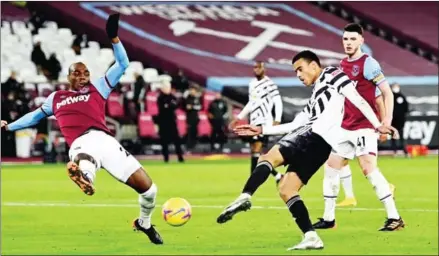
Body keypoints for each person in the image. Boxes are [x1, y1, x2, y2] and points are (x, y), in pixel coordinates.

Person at [0, 14, 163, 245]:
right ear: (68, 77)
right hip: (81, 141)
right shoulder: (56, 98)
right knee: (84, 156)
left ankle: (144, 223)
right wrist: (8, 126)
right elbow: (34, 117)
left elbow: (123, 64)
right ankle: (84, 177)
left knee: (150, 190)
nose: (83, 76)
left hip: (107, 141)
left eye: (86, 72)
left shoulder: (99, 88)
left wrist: (114, 38)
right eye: (77, 73)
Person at [216, 50, 399, 250]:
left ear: (314, 65)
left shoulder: (331, 74)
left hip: (311, 134)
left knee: (268, 157)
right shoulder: (316, 97)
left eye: (300, 69)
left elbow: (357, 99)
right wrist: (261, 129)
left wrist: (378, 124)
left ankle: (245, 196)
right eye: (296, 72)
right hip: (322, 146)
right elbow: (295, 122)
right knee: (287, 189)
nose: (299, 75)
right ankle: (311, 237)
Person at [313, 24, 404, 232]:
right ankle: (329, 218)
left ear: (361, 41)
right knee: (331, 167)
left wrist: (385, 121)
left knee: (368, 170)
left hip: (364, 127)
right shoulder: (342, 64)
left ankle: (394, 217)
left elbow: (385, 94)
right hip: (346, 126)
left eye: (352, 39)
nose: (348, 43)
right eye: (345, 39)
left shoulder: (369, 64)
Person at [229, 61, 283, 182]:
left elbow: (277, 101)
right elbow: (251, 103)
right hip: (253, 121)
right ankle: (277, 176)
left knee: (256, 150)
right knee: (255, 153)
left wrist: (277, 119)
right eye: (255, 67)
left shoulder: (270, 84)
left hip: (264, 123)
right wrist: (238, 118)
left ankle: (252, 180)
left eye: (259, 67)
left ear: (264, 69)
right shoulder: (252, 84)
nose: (256, 70)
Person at [156, 82, 184, 163]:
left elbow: (176, 105)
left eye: (168, 88)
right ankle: (166, 158)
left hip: (172, 121)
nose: (167, 89)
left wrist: (169, 105)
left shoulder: (172, 97)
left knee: (176, 140)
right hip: (163, 121)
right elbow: (163, 107)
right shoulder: (160, 98)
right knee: (164, 141)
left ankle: (180, 157)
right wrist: (169, 105)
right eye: (166, 88)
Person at [390, 83, 409, 157]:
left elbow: (406, 108)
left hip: (400, 121)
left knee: (401, 136)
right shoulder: (390, 97)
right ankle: (394, 151)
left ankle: (405, 151)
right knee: (393, 136)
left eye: (396, 87)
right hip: (392, 121)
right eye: (394, 87)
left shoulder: (402, 97)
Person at [185, 85, 202, 151]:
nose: (192, 91)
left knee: (195, 132)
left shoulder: (197, 98)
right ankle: (189, 147)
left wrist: (193, 106)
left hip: (196, 117)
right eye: (191, 90)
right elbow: (188, 107)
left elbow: (199, 107)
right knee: (189, 132)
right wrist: (194, 106)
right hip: (189, 118)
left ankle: (194, 146)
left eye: (194, 90)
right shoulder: (188, 98)